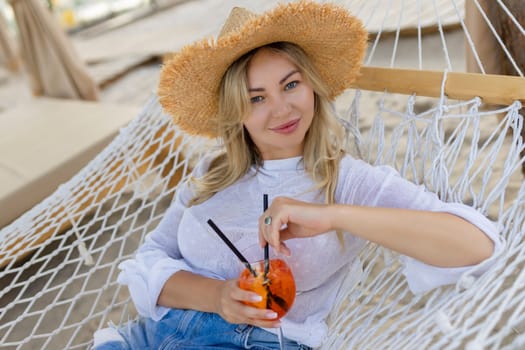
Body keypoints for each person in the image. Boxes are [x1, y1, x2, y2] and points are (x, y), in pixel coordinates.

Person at [93, 1, 504, 349]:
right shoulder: (210, 172)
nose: (283, 110)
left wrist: (332, 215)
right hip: (147, 336)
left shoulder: (346, 180)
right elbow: (149, 259)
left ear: (311, 86)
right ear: (236, 111)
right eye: (257, 98)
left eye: (290, 85)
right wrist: (218, 296)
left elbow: (478, 246)